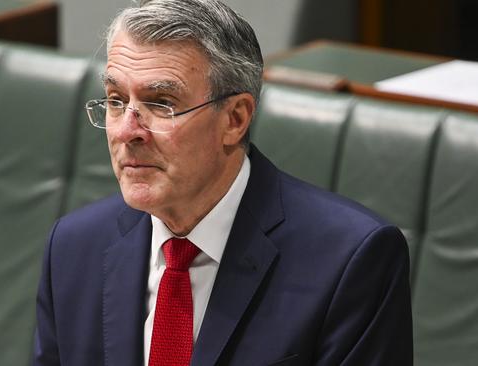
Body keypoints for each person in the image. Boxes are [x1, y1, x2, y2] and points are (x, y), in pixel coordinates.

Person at [33, 0, 413, 365]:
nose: (127, 130)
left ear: (235, 118)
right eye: (116, 100)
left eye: (161, 103)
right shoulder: (73, 248)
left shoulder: (351, 261)